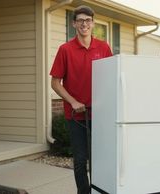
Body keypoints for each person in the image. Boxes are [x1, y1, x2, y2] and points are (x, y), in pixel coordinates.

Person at [50, 5, 112, 194]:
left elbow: (111, 77)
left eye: (88, 20)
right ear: (74, 24)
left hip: (100, 113)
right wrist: (73, 102)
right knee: (80, 160)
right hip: (76, 115)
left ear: (93, 23)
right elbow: (55, 83)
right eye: (80, 20)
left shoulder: (103, 47)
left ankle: (99, 190)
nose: (84, 24)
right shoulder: (65, 49)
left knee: (100, 158)